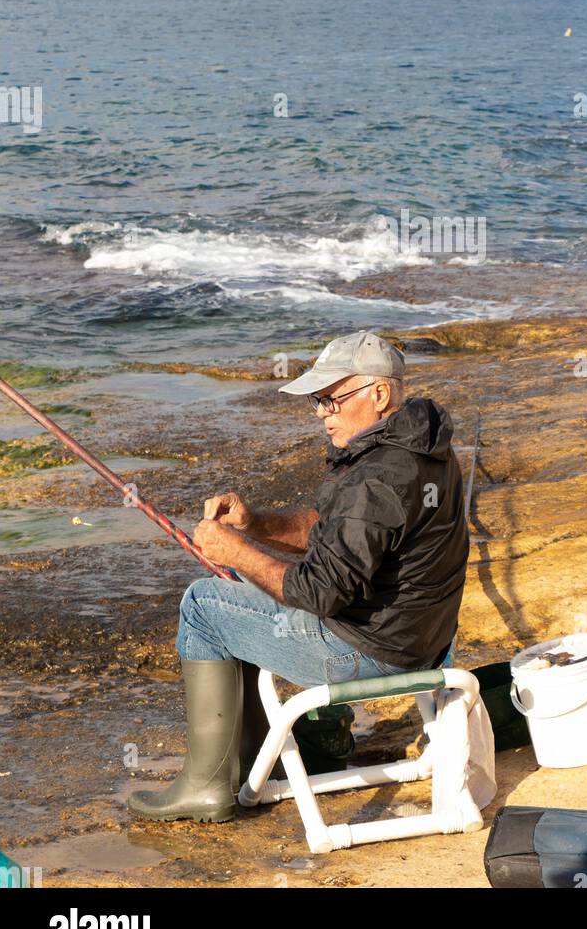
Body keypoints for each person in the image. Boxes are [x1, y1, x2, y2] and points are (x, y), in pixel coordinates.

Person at [128, 330, 469, 822]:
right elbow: (338, 531)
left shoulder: (375, 476)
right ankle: (280, 752)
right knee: (235, 585)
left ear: (378, 394)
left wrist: (237, 551)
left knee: (204, 604)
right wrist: (256, 525)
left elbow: (319, 592)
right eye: (317, 401)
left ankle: (206, 786)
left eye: (333, 399)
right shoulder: (423, 447)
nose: (322, 412)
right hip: (423, 642)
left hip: (366, 652)